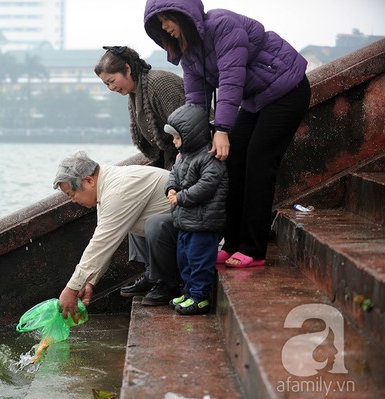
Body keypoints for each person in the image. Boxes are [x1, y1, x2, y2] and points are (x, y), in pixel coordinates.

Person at [144, 0, 311, 268]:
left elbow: (232, 79)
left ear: (183, 14)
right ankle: (232, 242)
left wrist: (222, 129)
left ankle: (254, 248)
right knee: (230, 162)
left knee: (258, 159)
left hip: (286, 89)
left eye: (167, 19)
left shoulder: (222, 24)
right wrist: (187, 146)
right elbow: (196, 101)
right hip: (256, 99)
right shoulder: (189, 50)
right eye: (159, 24)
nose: (164, 27)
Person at [94, 46, 185, 297]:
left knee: (153, 214)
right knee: (135, 206)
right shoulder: (135, 94)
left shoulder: (160, 84)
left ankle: (164, 279)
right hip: (169, 163)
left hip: (191, 165)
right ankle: (151, 272)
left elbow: (188, 129)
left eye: (112, 81)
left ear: (127, 69)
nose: (112, 88)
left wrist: (178, 173)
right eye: (106, 85)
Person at [53, 151, 181, 318]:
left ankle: (167, 283)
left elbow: (102, 243)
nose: (73, 200)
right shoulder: (106, 186)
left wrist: (72, 288)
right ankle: (152, 276)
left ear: (89, 180)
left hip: (193, 228)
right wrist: (89, 282)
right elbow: (106, 241)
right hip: (174, 228)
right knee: (131, 222)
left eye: (72, 194)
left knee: (153, 224)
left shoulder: (118, 191)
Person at [163, 104, 228, 314]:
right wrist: (171, 188)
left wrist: (180, 197)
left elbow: (207, 186)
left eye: (177, 137)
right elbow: (173, 174)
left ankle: (200, 297)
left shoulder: (209, 158)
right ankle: (190, 292)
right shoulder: (184, 157)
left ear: (191, 135)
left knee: (199, 261)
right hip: (186, 222)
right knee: (185, 260)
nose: (174, 142)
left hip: (203, 223)